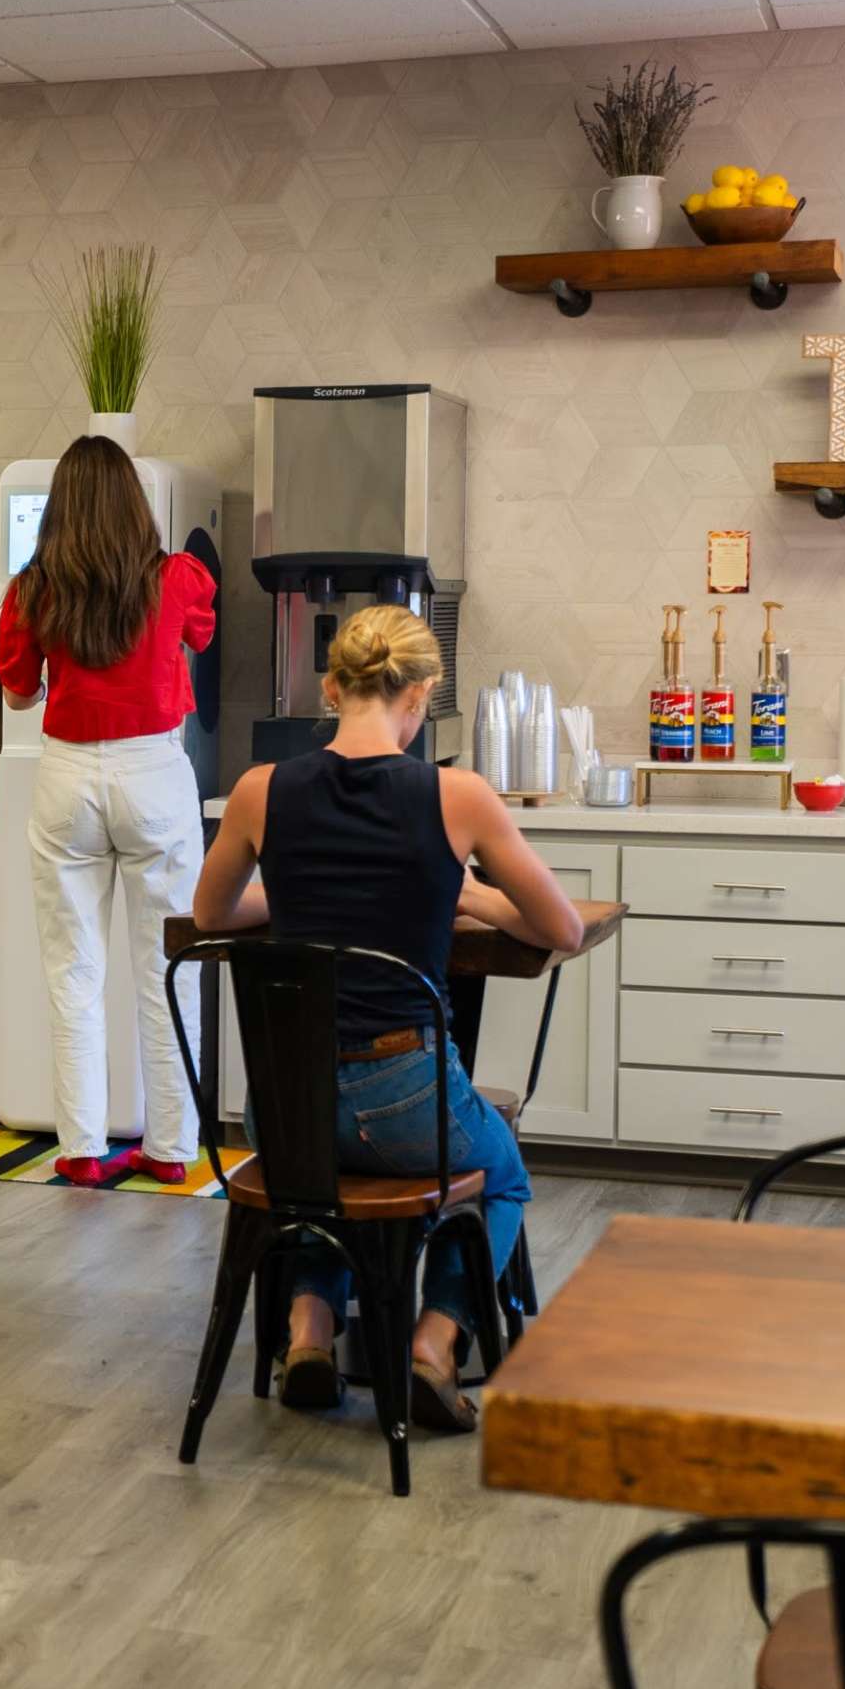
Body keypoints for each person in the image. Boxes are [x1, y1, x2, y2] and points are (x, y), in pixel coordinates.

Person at [185, 604, 584, 1433]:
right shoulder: (458, 795)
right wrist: (467, 891)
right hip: (403, 1099)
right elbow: (562, 929)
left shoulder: (261, 790)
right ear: (424, 695)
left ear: (332, 688)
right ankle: (434, 1346)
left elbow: (210, 910)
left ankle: (309, 1336)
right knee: (503, 1170)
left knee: (315, 1182)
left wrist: (293, 897)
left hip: (284, 1109)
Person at [0, 434, 221, 1187]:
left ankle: (83, 1148)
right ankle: (170, 1149)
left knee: (74, 971)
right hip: (154, 774)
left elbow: (19, 692)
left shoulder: (34, 590)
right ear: (136, 504)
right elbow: (201, 633)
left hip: (66, 779)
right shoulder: (176, 578)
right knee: (169, 970)